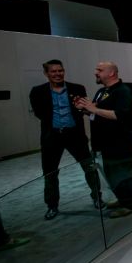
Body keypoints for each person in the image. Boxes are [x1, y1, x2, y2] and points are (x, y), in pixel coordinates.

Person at [29, 59, 104, 220]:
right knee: (50, 174)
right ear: (46, 73)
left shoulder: (77, 88)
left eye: (60, 70)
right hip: (52, 137)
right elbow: (39, 113)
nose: (58, 74)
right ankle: (52, 206)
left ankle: (97, 197)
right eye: (53, 71)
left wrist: (85, 108)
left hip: (75, 136)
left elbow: (84, 109)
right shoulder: (37, 91)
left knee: (89, 168)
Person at [74, 61, 132, 218]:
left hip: (120, 143)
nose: (95, 72)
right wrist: (85, 109)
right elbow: (96, 113)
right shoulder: (102, 91)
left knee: (123, 175)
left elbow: (120, 115)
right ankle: (123, 199)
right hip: (106, 143)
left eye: (99, 70)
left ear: (111, 73)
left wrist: (94, 109)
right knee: (112, 174)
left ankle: (130, 204)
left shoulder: (123, 91)